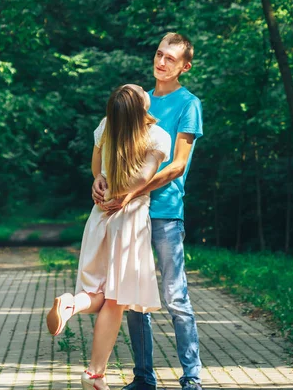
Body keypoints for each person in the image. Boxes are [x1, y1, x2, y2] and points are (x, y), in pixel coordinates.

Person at [94, 33, 204, 390]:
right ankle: (144, 377)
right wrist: (98, 177)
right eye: (159, 54)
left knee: (175, 296)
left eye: (171, 58)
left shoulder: (188, 104)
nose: (161, 62)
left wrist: (131, 192)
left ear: (184, 66)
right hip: (126, 214)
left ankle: (192, 377)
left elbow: (176, 166)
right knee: (133, 296)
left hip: (165, 212)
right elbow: (103, 144)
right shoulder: (135, 100)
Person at [46, 84, 172, 390]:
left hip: (99, 216)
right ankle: (94, 372)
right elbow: (144, 178)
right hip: (128, 220)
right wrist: (124, 194)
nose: (143, 88)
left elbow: (95, 169)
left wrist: (101, 182)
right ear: (140, 108)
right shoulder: (157, 136)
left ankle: (71, 307)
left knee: (99, 292)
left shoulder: (105, 127)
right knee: (116, 299)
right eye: (139, 91)